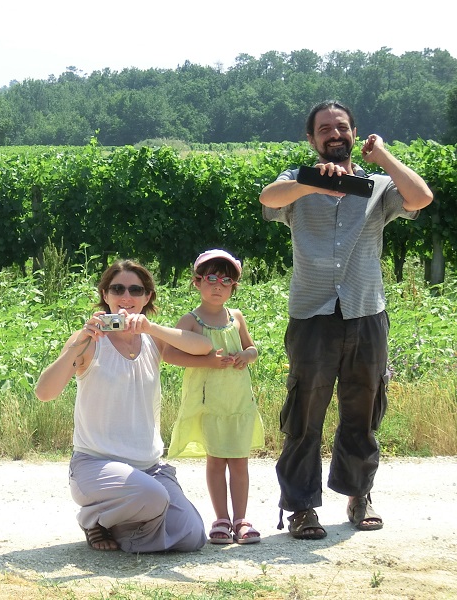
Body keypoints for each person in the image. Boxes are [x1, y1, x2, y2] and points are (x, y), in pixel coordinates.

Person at [259, 100, 433, 540]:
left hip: (366, 311)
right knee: (303, 415)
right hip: (311, 315)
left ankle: (359, 495)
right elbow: (268, 199)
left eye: (342, 127)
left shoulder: (376, 186)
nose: (334, 134)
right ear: (311, 139)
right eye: (325, 129)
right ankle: (301, 507)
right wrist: (311, 183)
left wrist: (383, 157)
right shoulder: (295, 182)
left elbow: (420, 197)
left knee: (363, 410)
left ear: (355, 133)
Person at [35, 259, 213, 553]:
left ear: (147, 297)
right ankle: (93, 518)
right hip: (95, 465)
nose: (126, 297)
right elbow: (45, 392)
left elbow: (203, 347)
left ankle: (118, 526)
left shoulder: (153, 340)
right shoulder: (89, 342)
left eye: (135, 290)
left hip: (149, 467)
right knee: (153, 497)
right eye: (117, 289)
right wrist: (79, 341)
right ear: (105, 295)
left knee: (192, 536)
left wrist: (152, 327)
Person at [166, 249, 264, 545]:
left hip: (238, 402)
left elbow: (253, 349)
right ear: (197, 282)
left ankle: (241, 519)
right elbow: (169, 354)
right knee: (216, 460)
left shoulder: (236, 317)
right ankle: (221, 518)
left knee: (240, 462)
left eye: (226, 280)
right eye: (211, 279)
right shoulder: (191, 320)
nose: (218, 286)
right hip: (209, 404)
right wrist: (207, 361)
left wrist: (246, 355)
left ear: (234, 286)